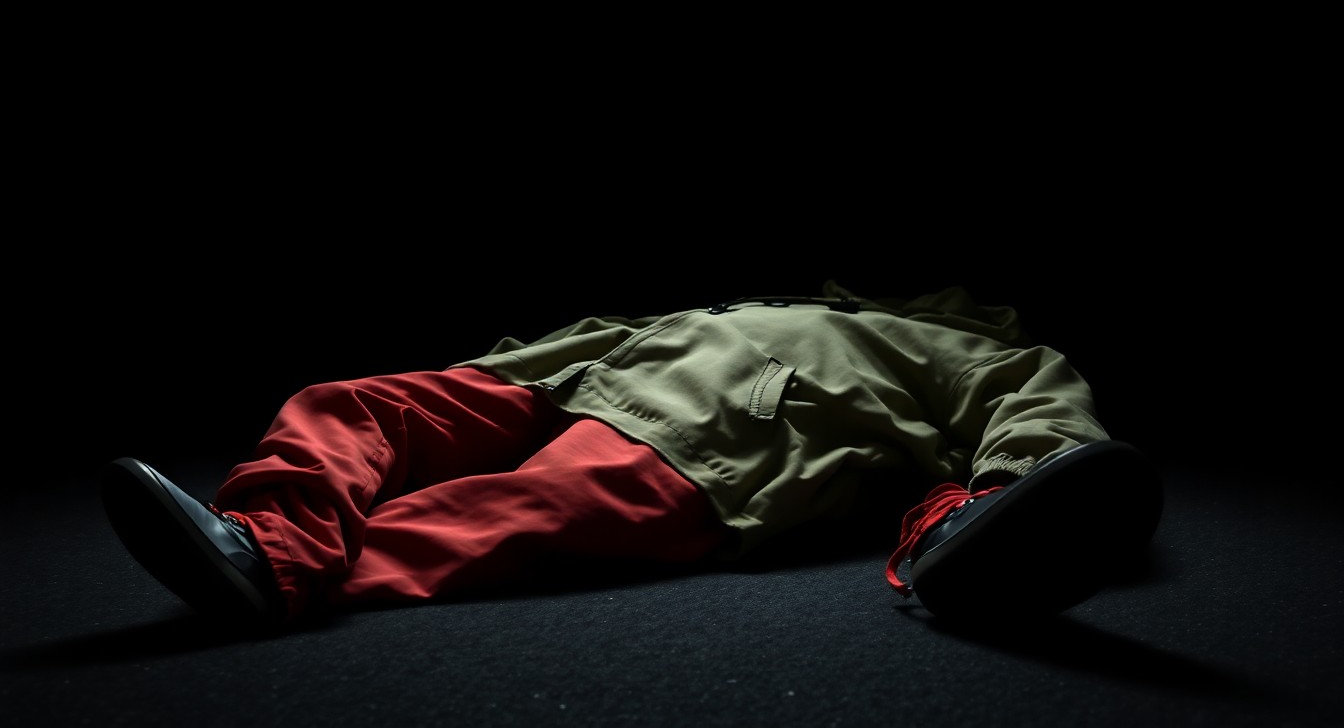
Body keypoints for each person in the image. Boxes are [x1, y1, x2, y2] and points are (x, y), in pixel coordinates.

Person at [100, 280, 1163, 632]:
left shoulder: (951, 340)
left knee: (526, 506)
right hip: (588, 369)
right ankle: (267, 532)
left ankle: (266, 573)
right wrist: (509, 374)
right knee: (345, 404)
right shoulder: (776, 300)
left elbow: (1027, 394)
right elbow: (629, 335)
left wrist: (1016, 481)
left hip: (716, 426)